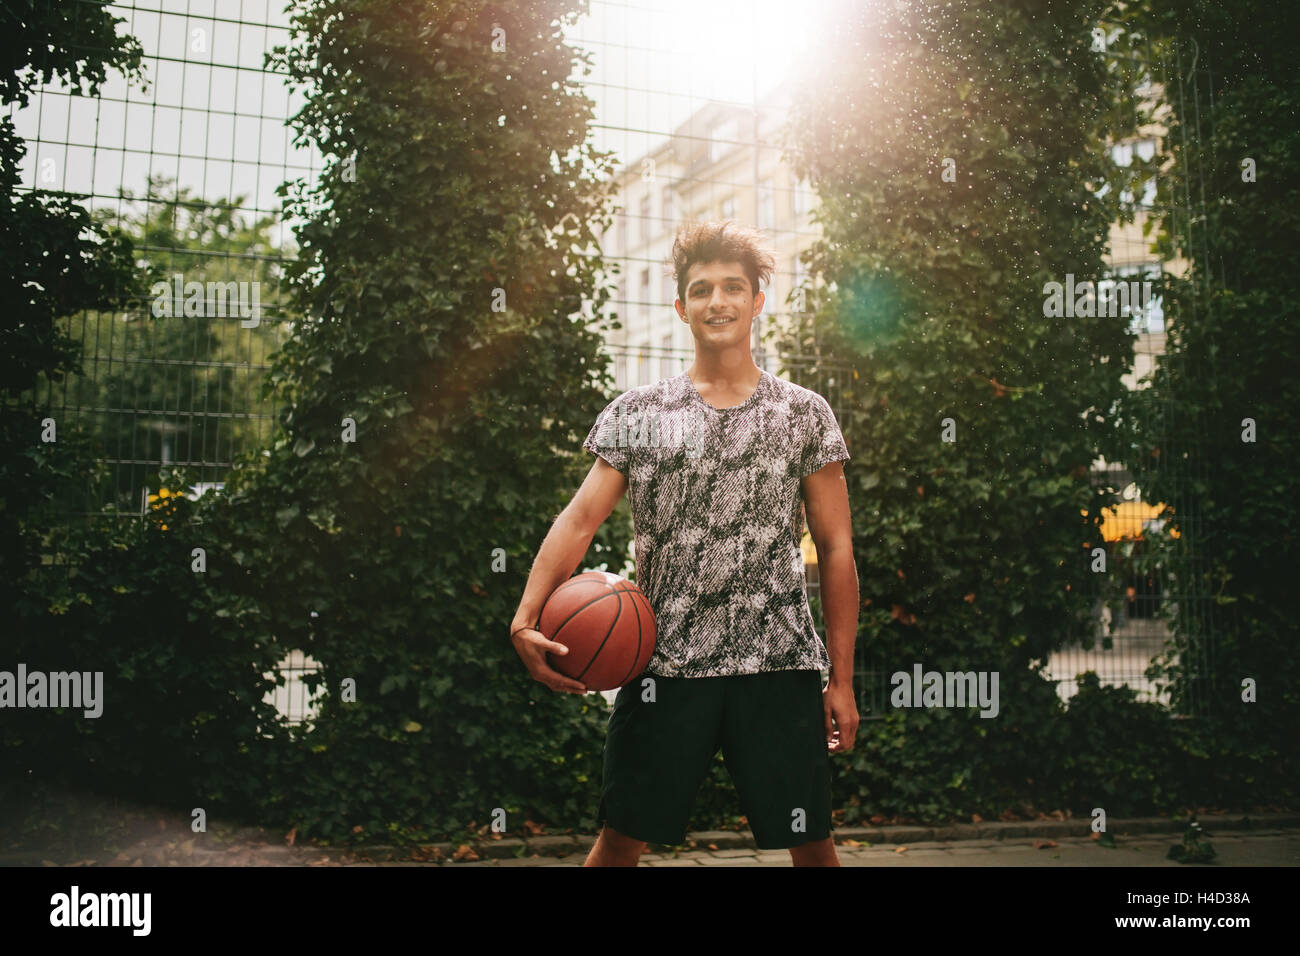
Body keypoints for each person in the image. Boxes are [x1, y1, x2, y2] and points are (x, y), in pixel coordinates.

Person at [510, 221, 859, 866]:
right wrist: (525, 616)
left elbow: (836, 549)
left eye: (734, 287)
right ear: (681, 307)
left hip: (778, 665)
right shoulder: (640, 413)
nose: (717, 301)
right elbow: (579, 519)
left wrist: (842, 679)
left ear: (758, 300)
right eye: (701, 290)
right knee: (619, 838)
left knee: (813, 844)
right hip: (664, 666)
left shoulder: (805, 413)